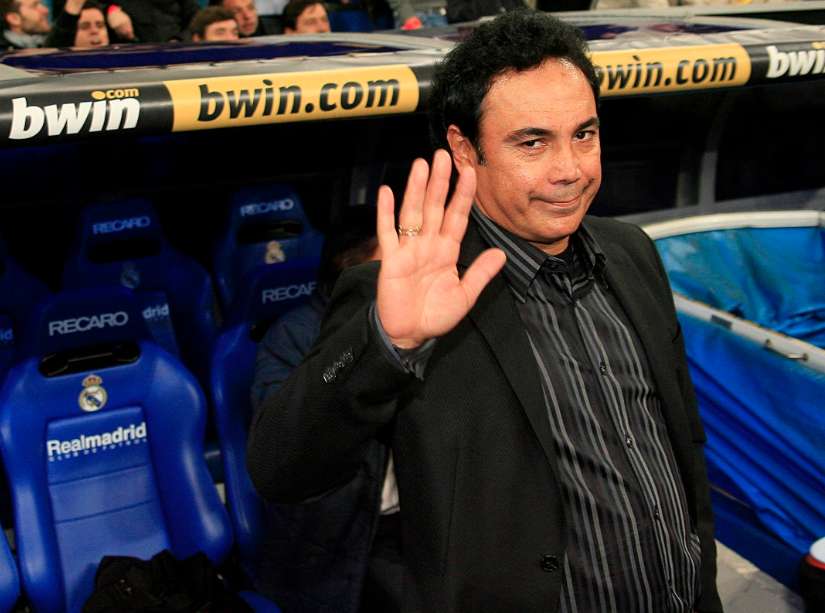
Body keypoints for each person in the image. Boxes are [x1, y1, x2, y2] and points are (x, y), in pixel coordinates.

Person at [248, 10, 722, 613]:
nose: (571, 170)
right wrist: (387, 345)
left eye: (584, 134)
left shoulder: (633, 253)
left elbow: (681, 451)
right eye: (532, 143)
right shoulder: (403, 298)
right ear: (464, 150)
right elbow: (281, 468)